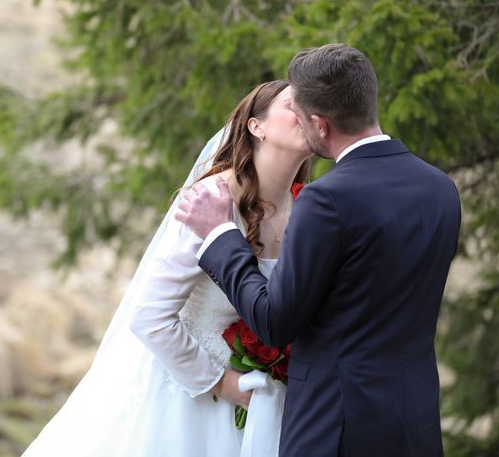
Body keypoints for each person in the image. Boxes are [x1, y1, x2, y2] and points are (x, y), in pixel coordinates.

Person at [176, 43, 461, 457]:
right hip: (415, 422)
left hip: (336, 429)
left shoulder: (326, 200)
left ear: (320, 125)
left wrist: (220, 233)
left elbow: (274, 322)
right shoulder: (440, 188)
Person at [21, 80, 313, 457]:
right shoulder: (211, 202)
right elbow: (149, 316)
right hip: (189, 399)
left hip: (266, 405)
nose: (307, 111)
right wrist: (219, 384)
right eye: (293, 104)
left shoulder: (308, 211)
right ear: (257, 127)